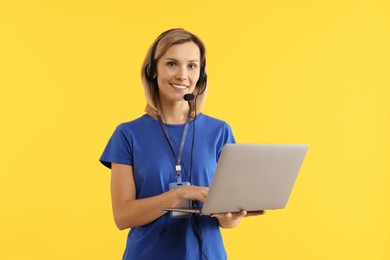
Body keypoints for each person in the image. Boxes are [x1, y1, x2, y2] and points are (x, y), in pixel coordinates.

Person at [100, 28, 265, 260]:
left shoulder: (220, 131)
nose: (182, 75)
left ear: (202, 75)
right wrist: (181, 194)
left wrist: (231, 218)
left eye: (192, 65)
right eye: (171, 64)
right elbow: (123, 216)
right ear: (152, 70)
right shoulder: (127, 134)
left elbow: (228, 216)